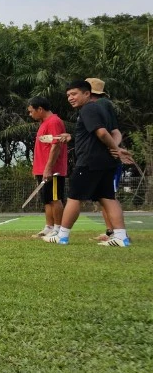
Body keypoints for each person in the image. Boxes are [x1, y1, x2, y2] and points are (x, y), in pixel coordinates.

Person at [48, 79, 132, 247]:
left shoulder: (88, 108)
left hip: (89, 161)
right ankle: (121, 237)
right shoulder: (102, 109)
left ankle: (62, 236)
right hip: (106, 162)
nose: (70, 98)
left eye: (74, 94)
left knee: (74, 198)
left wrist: (115, 147)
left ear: (87, 93)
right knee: (108, 197)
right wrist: (116, 149)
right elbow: (109, 132)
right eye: (68, 95)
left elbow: (101, 133)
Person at [85, 78, 126, 244]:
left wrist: (113, 148)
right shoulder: (99, 106)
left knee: (109, 197)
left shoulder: (101, 104)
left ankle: (119, 234)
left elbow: (107, 132)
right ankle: (111, 232)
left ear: (88, 93)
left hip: (105, 160)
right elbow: (116, 131)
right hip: (104, 157)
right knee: (104, 196)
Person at [27, 96, 67, 240]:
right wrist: (37, 169)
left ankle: (58, 228)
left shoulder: (54, 122)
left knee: (55, 198)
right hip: (41, 169)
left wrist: (48, 168)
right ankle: (49, 227)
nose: (30, 115)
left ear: (40, 109)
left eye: (31, 111)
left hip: (53, 170)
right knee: (47, 199)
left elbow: (56, 146)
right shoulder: (44, 123)